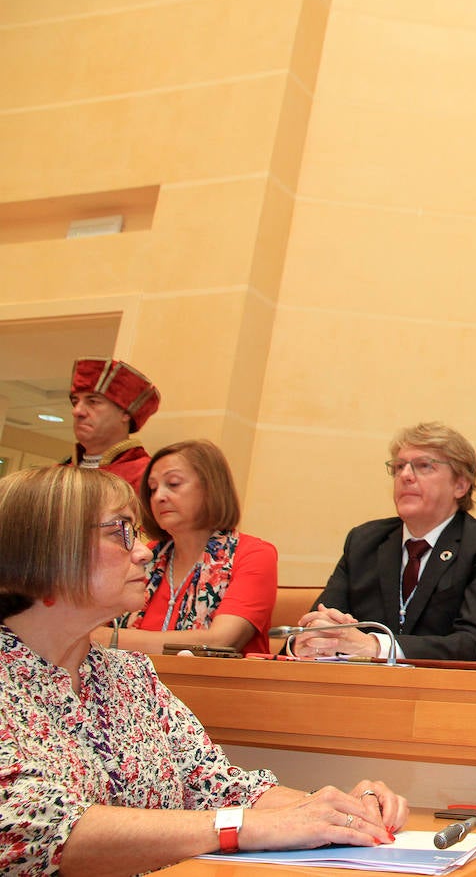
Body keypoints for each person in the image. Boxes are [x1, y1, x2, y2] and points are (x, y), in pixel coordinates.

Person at [0, 465, 408, 876]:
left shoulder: (130, 675)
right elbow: (35, 832)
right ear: (44, 549)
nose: (143, 551)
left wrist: (338, 809)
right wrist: (244, 827)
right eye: (120, 532)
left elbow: (215, 786)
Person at [294, 421, 476, 661]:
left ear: (460, 485)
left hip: (447, 692)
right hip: (365, 689)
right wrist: (311, 638)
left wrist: (376, 646)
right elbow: (320, 621)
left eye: (423, 466)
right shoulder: (364, 541)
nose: (406, 476)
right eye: (399, 467)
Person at [89, 440, 278, 656]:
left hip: (213, 686)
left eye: (174, 483)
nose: (159, 497)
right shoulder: (144, 554)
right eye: (152, 489)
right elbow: (94, 620)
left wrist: (110, 638)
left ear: (211, 488)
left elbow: (219, 642)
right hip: (132, 683)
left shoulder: (253, 553)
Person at [63, 356, 161, 486]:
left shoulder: (147, 478)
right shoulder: (57, 474)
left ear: (126, 413)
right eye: (75, 402)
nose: (76, 411)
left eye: (93, 402)